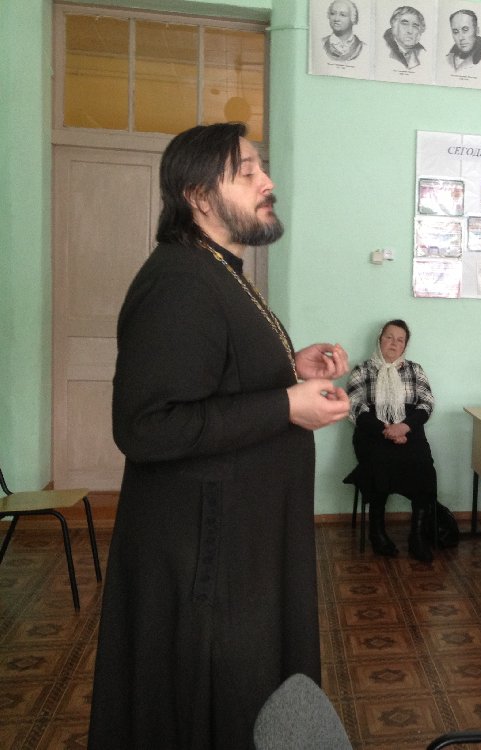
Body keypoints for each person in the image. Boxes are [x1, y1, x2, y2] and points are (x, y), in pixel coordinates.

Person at [88, 123, 352, 748]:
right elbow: (148, 425)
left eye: (262, 168)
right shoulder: (180, 281)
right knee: (215, 707)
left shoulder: (215, 269)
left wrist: (290, 369)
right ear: (199, 196)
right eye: (248, 171)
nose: (268, 183)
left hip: (239, 543)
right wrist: (286, 404)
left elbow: (216, 378)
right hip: (206, 563)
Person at [346, 319, 437, 562]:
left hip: (409, 431)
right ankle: (377, 532)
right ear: (379, 339)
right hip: (372, 432)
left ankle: (417, 536)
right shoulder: (362, 370)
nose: (393, 343)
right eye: (389, 337)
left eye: (400, 340)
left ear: (405, 345)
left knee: (423, 464)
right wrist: (387, 430)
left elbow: (427, 404)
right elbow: (354, 406)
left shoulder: (415, 370)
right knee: (379, 462)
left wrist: (403, 427)